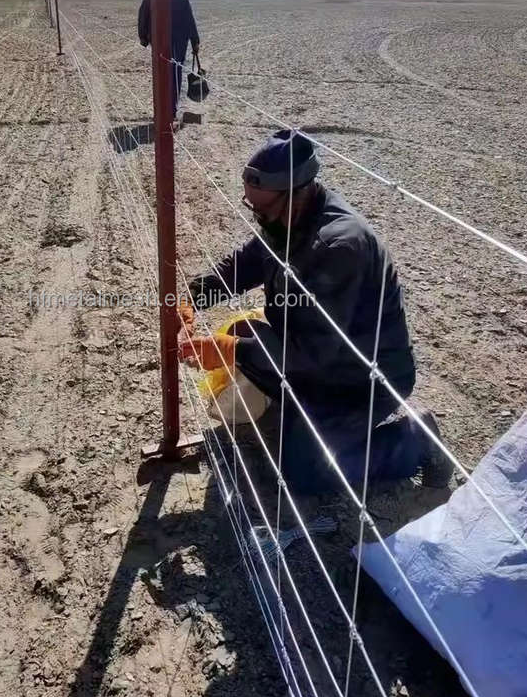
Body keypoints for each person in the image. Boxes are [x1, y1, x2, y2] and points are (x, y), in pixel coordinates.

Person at [178, 129, 453, 495]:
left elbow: (315, 353)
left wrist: (230, 351)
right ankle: (306, 414)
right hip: (315, 355)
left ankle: (417, 440)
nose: (258, 218)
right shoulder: (287, 219)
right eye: (252, 208)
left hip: (360, 380)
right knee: (245, 334)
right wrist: (192, 297)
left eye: (263, 210)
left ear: (296, 193)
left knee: (305, 471)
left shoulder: (339, 246)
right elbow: (245, 264)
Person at [138, 0, 200, 120]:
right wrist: (195, 41)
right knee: (175, 75)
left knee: (161, 75)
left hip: (160, 45)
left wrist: (143, 37)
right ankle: (171, 112)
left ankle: (163, 112)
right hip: (178, 45)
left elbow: (142, 17)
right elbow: (190, 21)